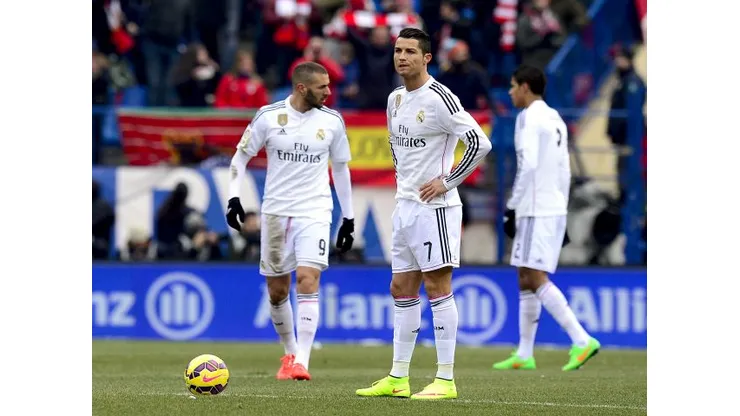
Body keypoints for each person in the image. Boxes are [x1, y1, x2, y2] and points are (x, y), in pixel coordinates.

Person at [355, 28, 492, 400]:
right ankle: (398, 378)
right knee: (400, 287)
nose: (401, 57)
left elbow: (480, 142)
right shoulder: (395, 98)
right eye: (398, 50)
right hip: (405, 206)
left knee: (437, 288)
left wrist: (446, 181)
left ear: (426, 58)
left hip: (436, 208)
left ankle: (445, 380)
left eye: (410, 51)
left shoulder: (440, 98)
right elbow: (397, 149)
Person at [225, 61, 356, 381]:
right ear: (301, 88)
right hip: (275, 212)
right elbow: (240, 157)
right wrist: (233, 198)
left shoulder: (333, 121)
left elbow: (340, 169)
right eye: (322, 87)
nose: (329, 91)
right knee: (277, 291)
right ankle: (289, 353)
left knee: (308, 280)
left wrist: (348, 217)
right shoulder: (269, 117)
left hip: (315, 210)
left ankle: (303, 362)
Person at [492, 65, 600, 372]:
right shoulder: (555, 119)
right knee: (525, 276)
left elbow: (527, 165)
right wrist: (561, 209)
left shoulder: (529, 117)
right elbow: (564, 168)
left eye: (513, 86)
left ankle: (581, 340)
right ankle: (525, 353)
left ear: (525, 87)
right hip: (551, 205)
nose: (511, 92)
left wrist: (512, 206)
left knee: (535, 277)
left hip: (535, 207)